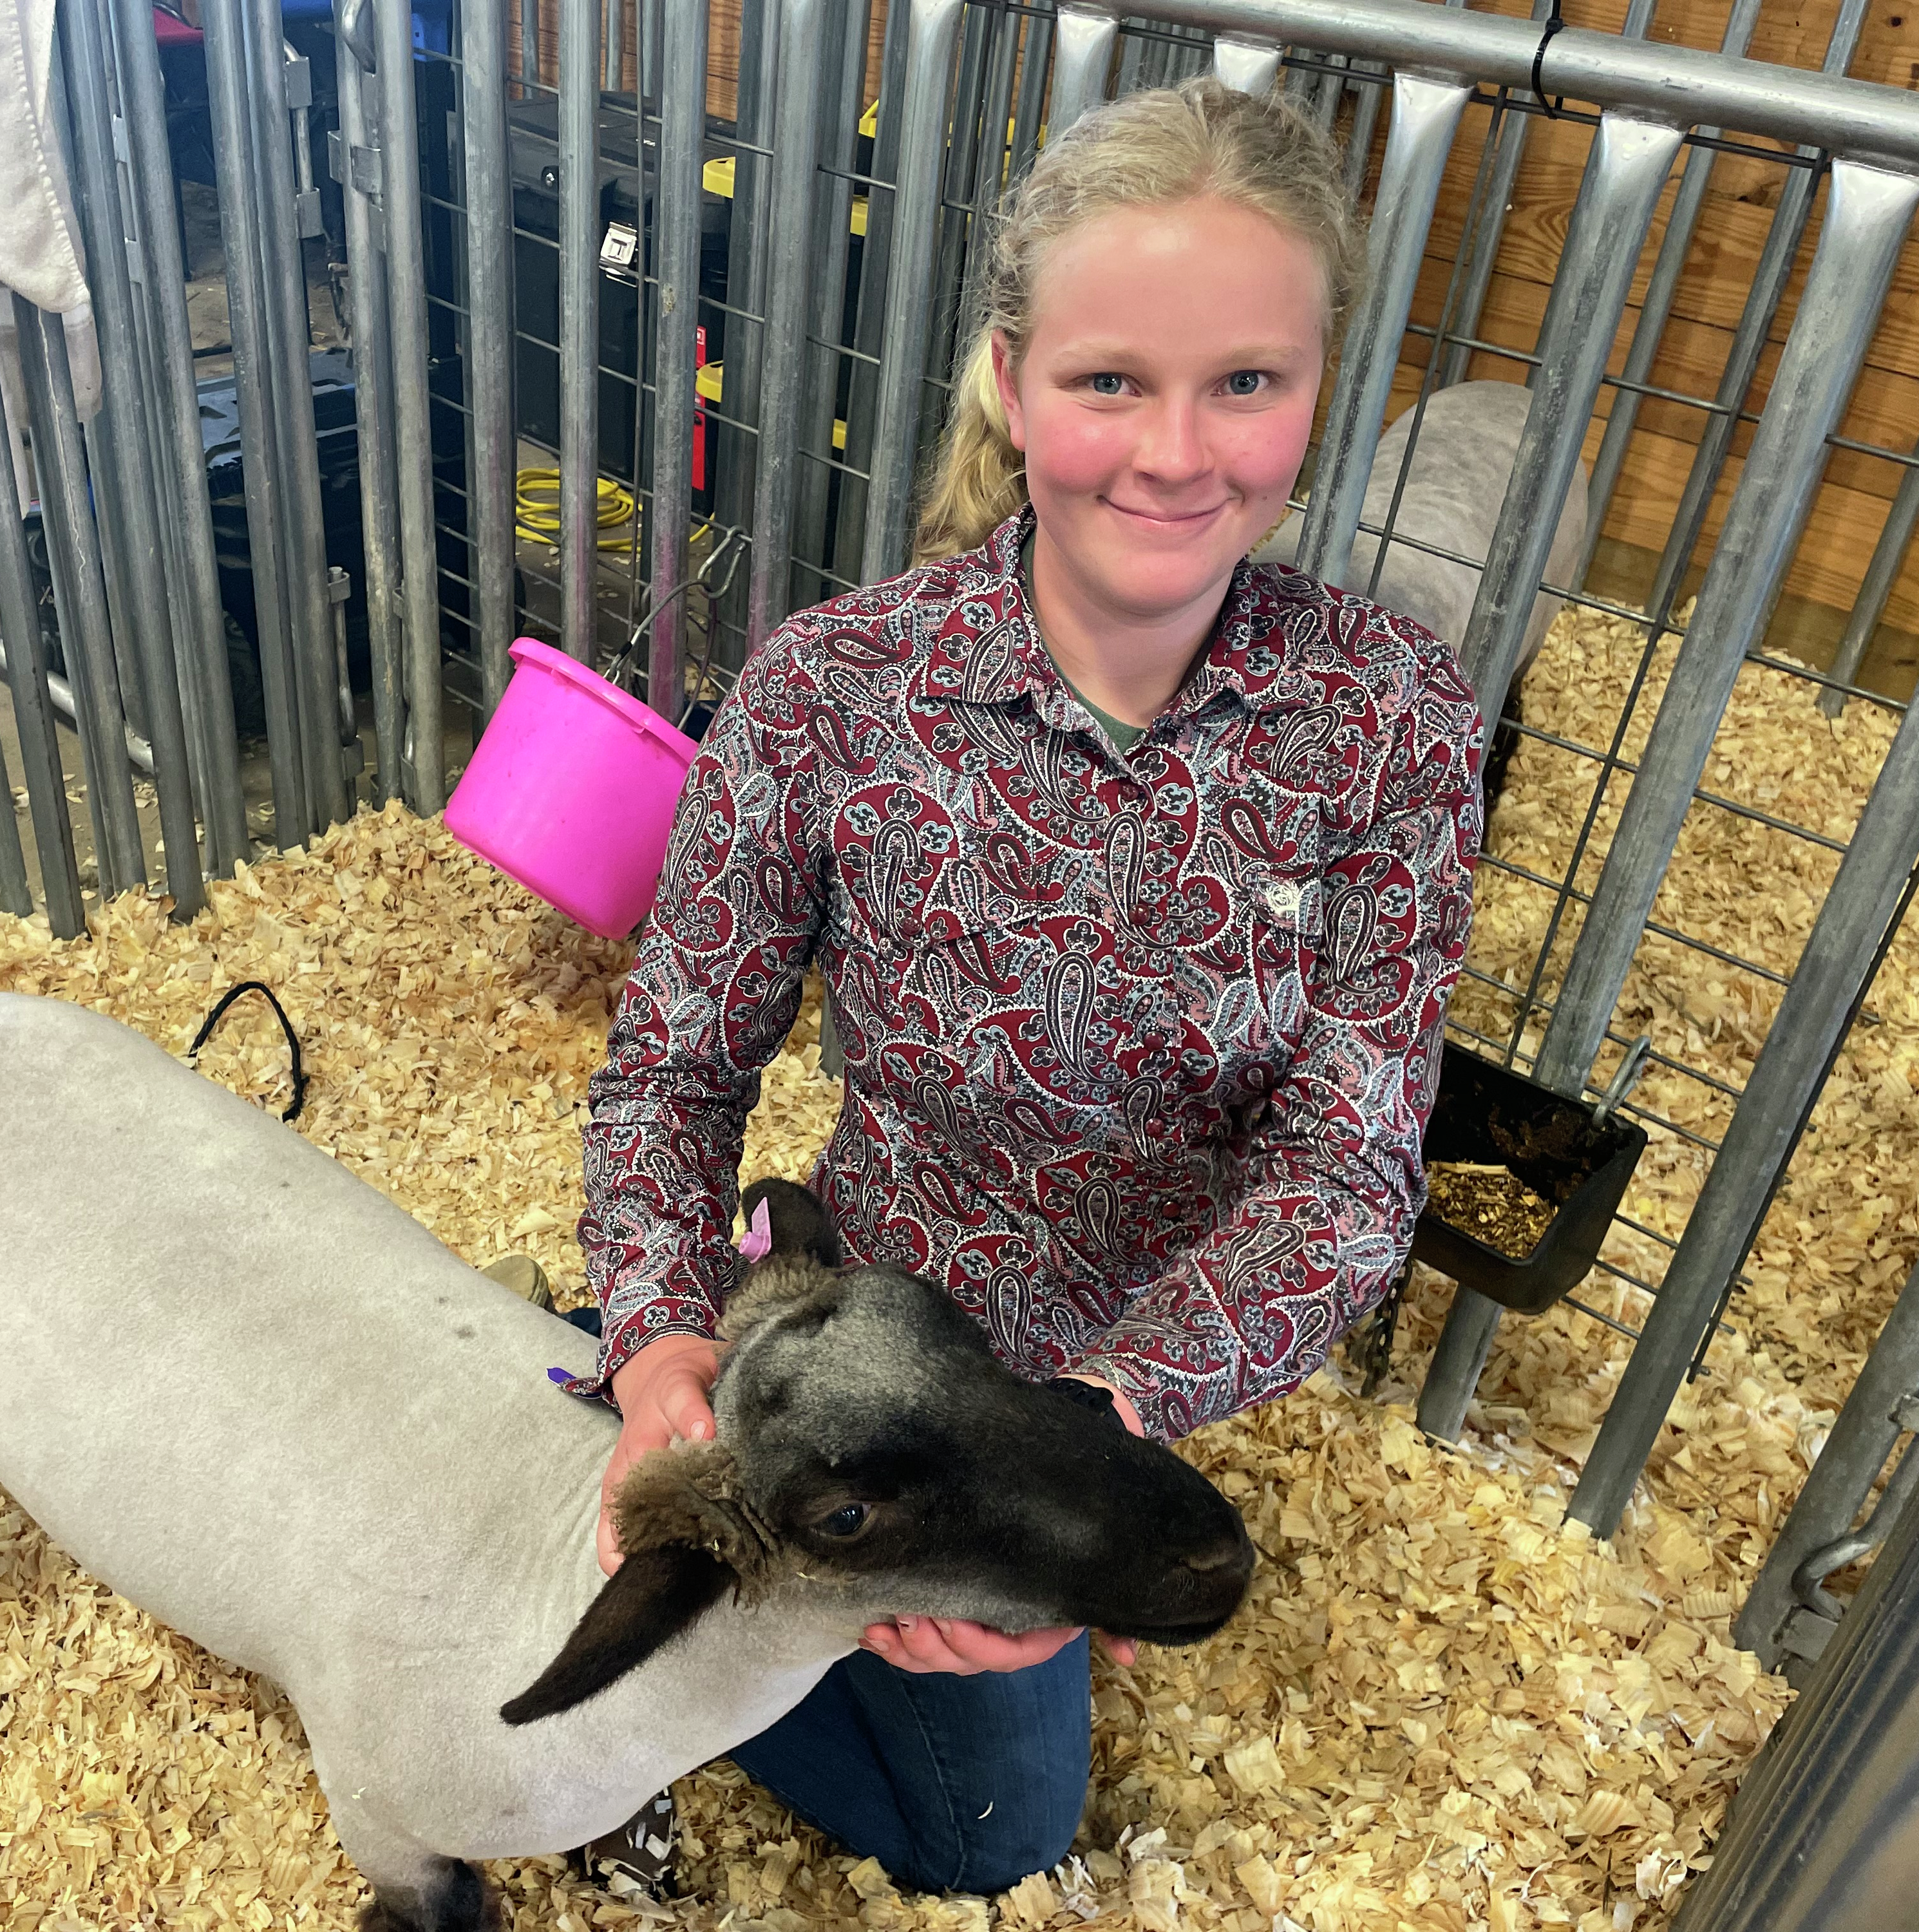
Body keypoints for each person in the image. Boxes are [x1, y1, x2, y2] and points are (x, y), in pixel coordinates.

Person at [563, 75, 1484, 1898]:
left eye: (1248, 383)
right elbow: (677, 1069)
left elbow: (1351, 1172)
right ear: (1009, 378)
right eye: (1108, 382)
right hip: (855, 1352)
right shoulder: (837, 690)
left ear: (1321, 389)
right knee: (883, 1767)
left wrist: (1108, 1433)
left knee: (998, 1840)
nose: (1176, 453)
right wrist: (663, 1328)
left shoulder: (1394, 715)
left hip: (1119, 1381)